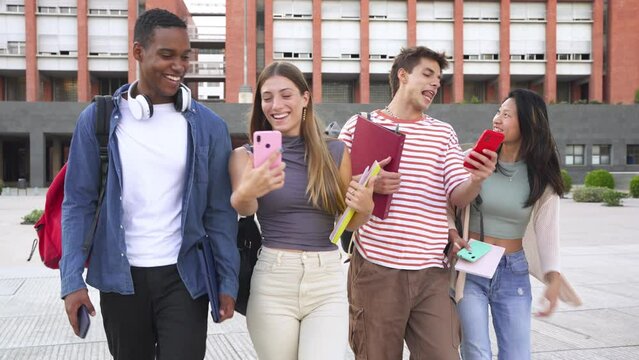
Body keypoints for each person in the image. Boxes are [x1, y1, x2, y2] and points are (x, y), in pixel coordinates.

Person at [60, 9, 239, 360]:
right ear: (139, 52)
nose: (178, 65)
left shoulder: (210, 127)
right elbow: (78, 204)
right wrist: (71, 281)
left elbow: (220, 213)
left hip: (185, 279)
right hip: (120, 278)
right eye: (167, 55)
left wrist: (227, 280)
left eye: (185, 56)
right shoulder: (96, 122)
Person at [338, 46, 497, 360]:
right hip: (375, 268)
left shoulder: (442, 134)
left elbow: (457, 193)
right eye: (427, 74)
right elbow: (335, 189)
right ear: (402, 75)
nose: (435, 84)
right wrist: (368, 182)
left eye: (439, 80)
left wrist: (477, 179)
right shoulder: (358, 125)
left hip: (431, 273)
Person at [228, 61, 375, 360]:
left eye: (286, 95)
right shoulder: (244, 157)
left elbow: (349, 223)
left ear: (305, 98)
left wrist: (366, 207)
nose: (276, 105)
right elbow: (246, 208)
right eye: (267, 97)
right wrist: (246, 191)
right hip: (273, 279)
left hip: (327, 279)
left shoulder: (335, 151)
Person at [449, 89, 581, 360]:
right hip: (471, 265)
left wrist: (553, 279)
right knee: (476, 351)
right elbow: (448, 203)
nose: (497, 118)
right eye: (498, 111)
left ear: (528, 123)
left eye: (506, 114)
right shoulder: (474, 159)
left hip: (513, 270)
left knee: (517, 354)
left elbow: (547, 231)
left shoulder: (541, 175)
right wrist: (452, 234)